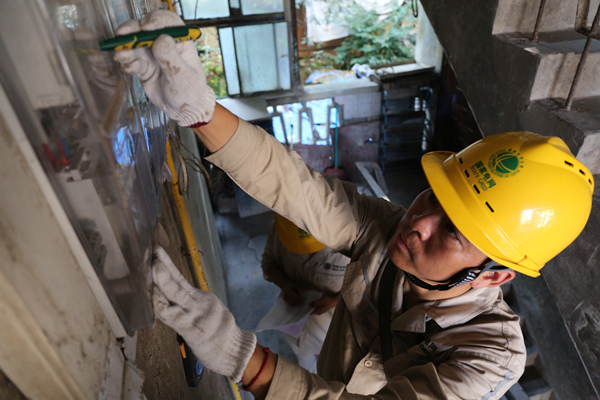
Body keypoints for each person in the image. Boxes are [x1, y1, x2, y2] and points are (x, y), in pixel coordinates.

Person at [116, 10, 595, 400]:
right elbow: (294, 185)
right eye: (435, 195)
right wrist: (199, 112)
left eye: (452, 232)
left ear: (493, 275)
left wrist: (245, 360)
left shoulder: (488, 354)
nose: (418, 221)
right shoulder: (384, 234)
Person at [261, 213, 349, 372]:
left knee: (334, 370)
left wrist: (335, 301)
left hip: (336, 330)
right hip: (296, 330)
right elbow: (269, 262)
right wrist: (286, 285)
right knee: (307, 370)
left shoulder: (352, 241)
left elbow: (370, 286)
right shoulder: (280, 229)